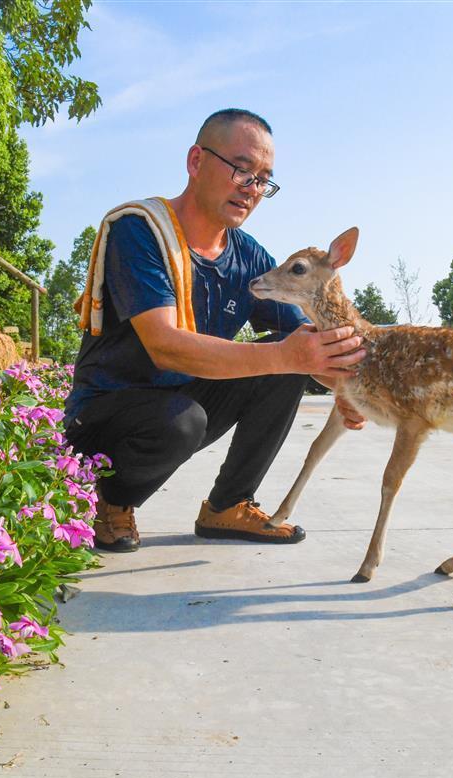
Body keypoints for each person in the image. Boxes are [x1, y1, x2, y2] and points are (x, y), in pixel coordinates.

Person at [64, 108, 366, 553]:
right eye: (242, 171)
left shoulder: (247, 255)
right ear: (196, 161)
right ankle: (109, 499)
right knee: (184, 420)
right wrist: (289, 356)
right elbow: (165, 347)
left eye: (263, 180)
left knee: (284, 358)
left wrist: (346, 388)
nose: (253, 190)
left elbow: (307, 346)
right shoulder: (140, 231)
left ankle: (228, 505)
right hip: (106, 420)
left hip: (184, 404)